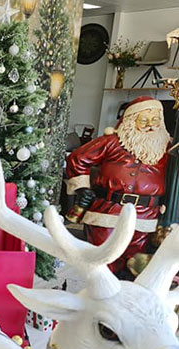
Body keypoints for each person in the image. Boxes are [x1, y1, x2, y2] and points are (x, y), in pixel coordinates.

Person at [66, 97, 172, 274]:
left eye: (155, 120)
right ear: (131, 120)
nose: (150, 126)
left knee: (134, 266)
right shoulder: (112, 142)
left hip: (145, 216)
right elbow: (78, 159)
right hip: (109, 212)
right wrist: (82, 187)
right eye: (143, 120)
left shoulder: (168, 148)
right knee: (102, 263)